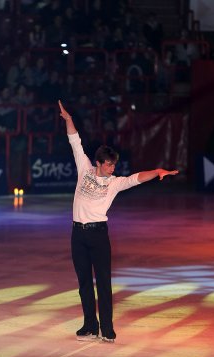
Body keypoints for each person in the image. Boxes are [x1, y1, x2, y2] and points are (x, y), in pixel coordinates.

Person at [58, 100, 179, 343]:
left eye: (114, 164)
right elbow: (75, 142)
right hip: (77, 235)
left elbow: (135, 178)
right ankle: (89, 327)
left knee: (103, 283)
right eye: (110, 164)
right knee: (84, 284)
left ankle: (107, 329)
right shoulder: (84, 169)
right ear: (99, 163)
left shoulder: (114, 182)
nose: (113, 168)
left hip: (98, 235)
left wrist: (156, 172)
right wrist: (69, 120)